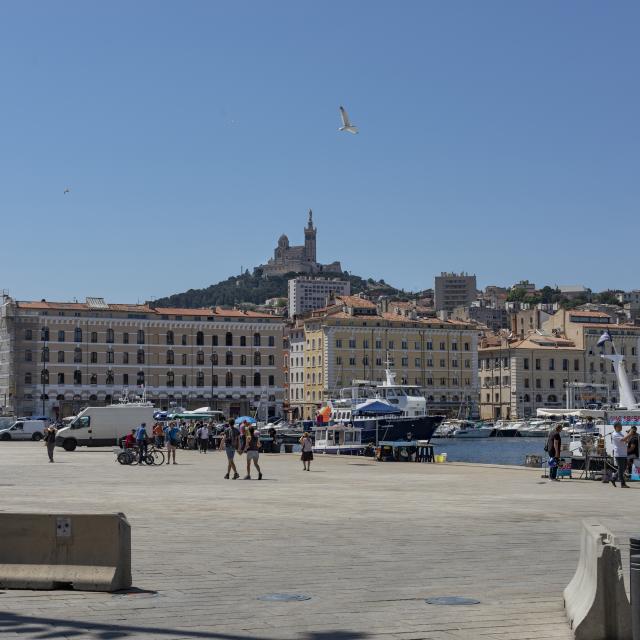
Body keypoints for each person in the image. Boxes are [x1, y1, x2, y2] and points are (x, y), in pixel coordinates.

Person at [610, 422, 630, 488]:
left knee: (623, 468)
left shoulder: (620, 433)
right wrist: (629, 434)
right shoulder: (615, 434)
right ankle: (622, 483)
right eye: (620, 426)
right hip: (619, 453)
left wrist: (628, 435)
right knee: (621, 468)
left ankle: (613, 478)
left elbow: (626, 440)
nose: (621, 427)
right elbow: (623, 439)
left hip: (623, 453)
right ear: (616, 427)